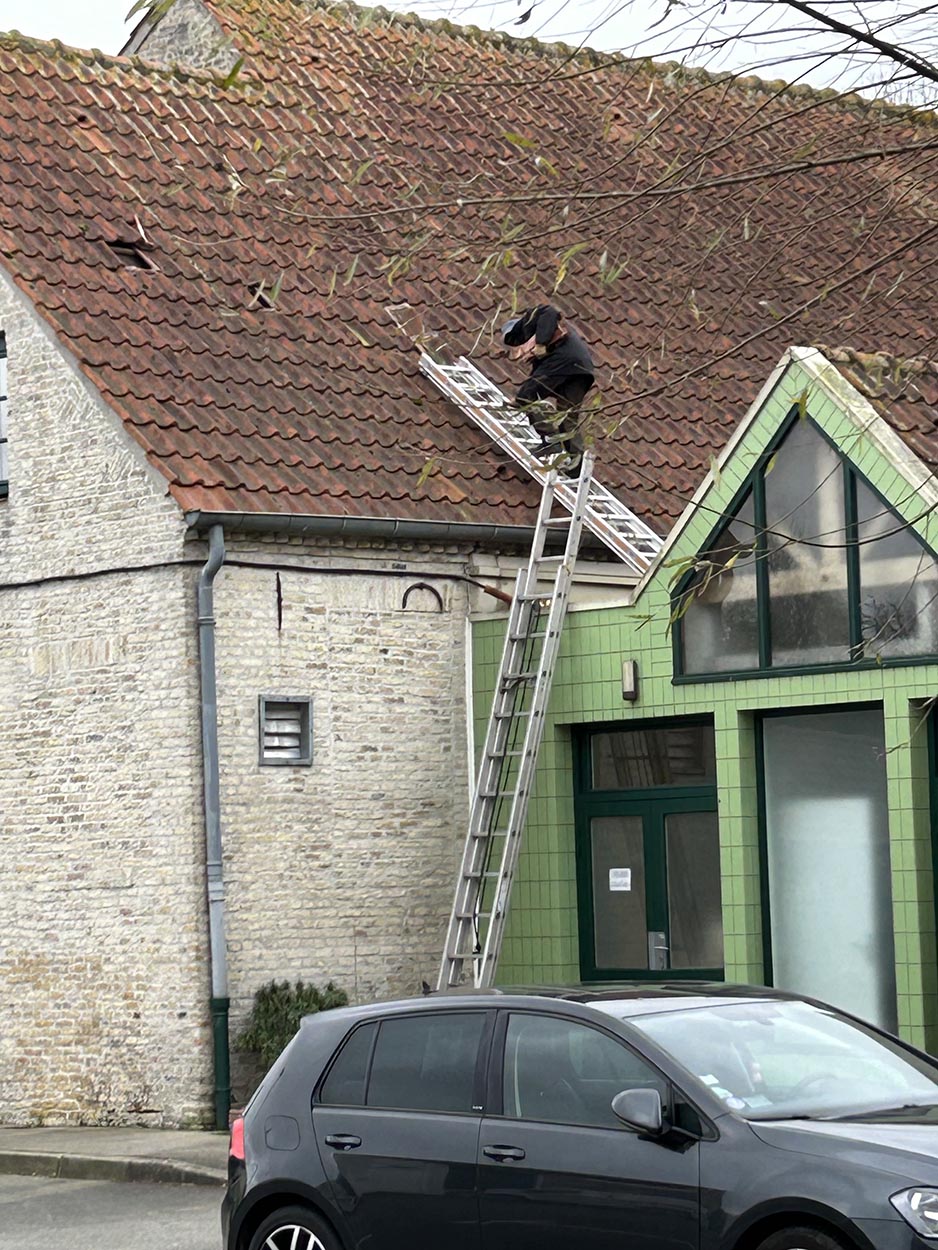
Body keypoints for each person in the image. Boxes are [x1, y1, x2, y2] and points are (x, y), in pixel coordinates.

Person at [501, 305, 595, 473]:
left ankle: (551, 440)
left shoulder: (530, 321)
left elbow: (549, 311)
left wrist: (541, 342)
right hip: (581, 369)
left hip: (564, 361)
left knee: (526, 396)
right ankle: (576, 465)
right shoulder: (539, 348)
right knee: (567, 415)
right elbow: (538, 376)